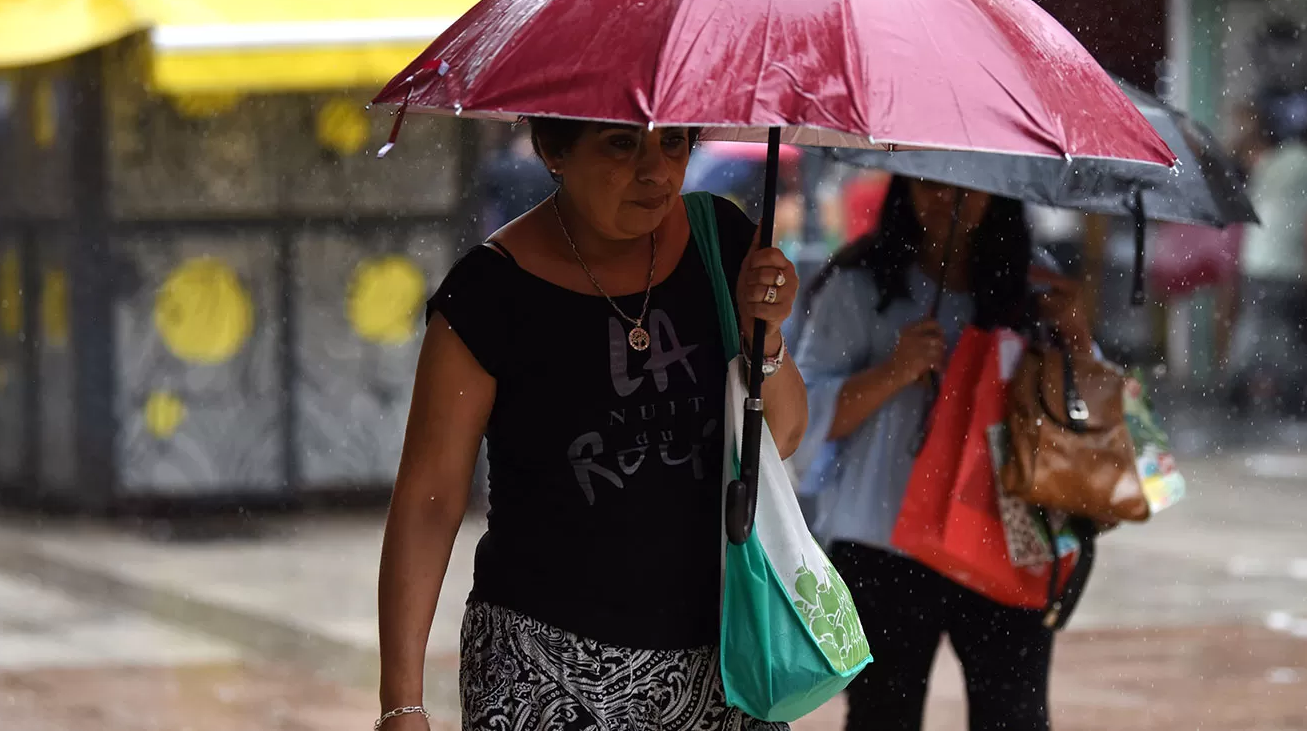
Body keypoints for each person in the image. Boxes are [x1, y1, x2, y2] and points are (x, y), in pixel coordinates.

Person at [377, 120, 809, 731]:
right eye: (621, 143)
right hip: (541, 667)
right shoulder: (488, 293)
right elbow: (430, 498)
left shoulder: (724, 243)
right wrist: (402, 702)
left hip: (724, 660)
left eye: (674, 143)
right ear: (554, 150)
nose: (656, 170)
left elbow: (783, 435)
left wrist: (763, 336)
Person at [794, 176, 1092, 731]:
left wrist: (1074, 336)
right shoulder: (860, 286)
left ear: (998, 195)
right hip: (882, 546)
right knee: (883, 716)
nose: (946, 198)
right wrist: (893, 371)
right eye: (928, 183)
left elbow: (1082, 405)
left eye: (968, 186)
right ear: (902, 188)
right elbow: (800, 420)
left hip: (1007, 537)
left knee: (1014, 717)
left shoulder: (1035, 285)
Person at [1227, 117, 1307, 415]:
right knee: (1289, 334)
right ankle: (1293, 397)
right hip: (1288, 263)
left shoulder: (1270, 162)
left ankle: (1237, 387)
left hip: (1256, 258)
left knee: (1254, 327)